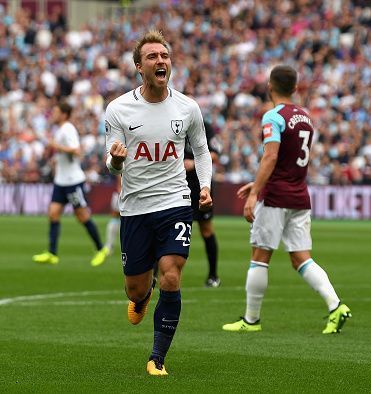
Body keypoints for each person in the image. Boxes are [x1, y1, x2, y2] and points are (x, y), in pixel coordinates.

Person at [104, 30, 212, 376]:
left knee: (171, 274)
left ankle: (157, 357)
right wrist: (117, 162)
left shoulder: (187, 107)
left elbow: (202, 150)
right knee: (135, 289)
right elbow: (111, 162)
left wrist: (205, 186)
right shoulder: (119, 109)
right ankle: (141, 292)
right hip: (135, 206)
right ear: (139, 67)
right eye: (151, 57)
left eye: (164, 56)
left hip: (175, 200)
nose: (160, 61)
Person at [222, 65, 351, 334]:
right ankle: (335, 305)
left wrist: (256, 191)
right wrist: (258, 182)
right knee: (301, 258)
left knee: (260, 256)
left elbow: (271, 156)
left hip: (276, 197)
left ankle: (251, 320)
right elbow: (289, 160)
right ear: (295, 88)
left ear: (269, 86)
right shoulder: (305, 117)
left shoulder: (273, 116)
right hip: (299, 195)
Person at [33, 101, 109, 267]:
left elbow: (76, 151)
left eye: (55, 112)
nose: (52, 114)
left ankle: (100, 248)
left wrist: (56, 146)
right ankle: (52, 253)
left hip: (73, 182)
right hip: (61, 181)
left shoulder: (68, 129)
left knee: (82, 216)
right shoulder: (60, 130)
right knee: (53, 213)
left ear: (64, 115)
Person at [184, 121, 221, 287]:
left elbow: (215, 154)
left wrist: (193, 164)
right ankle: (156, 274)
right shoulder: (169, 120)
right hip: (176, 185)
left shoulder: (206, 126)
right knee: (169, 228)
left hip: (200, 184)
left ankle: (213, 275)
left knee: (206, 229)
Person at [104, 174, 121, 256]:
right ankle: (109, 246)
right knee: (115, 217)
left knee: (116, 218)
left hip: (122, 192)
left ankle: (109, 246)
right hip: (122, 192)